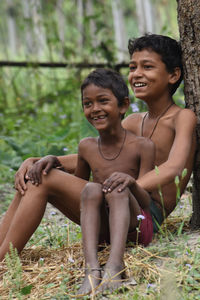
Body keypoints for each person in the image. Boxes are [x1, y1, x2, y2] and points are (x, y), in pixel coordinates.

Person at [0, 34, 196, 271]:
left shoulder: (182, 117)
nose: (136, 74)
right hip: (112, 203)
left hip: (141, 214)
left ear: (173, 75)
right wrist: (38, 160)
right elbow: (100, 154)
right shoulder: (133, 121)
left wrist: (128, 186)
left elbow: (173, 167)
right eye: (133, 67)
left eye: (148, 66)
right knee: (37, 172)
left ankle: (3, 260)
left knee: (44, 178)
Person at [74, 68, 155, 294]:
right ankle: (92, 269)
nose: (95, 109)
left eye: (103, 101)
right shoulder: (86, 147)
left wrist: (131, 182)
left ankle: (115, 265)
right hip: (103, 227)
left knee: (118, 189)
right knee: (90, 187)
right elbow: (78, 191)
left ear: (123, 105)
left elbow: (146, 204)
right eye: (87, 103)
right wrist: (52, 160)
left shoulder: (142, 146)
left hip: (136, 226)